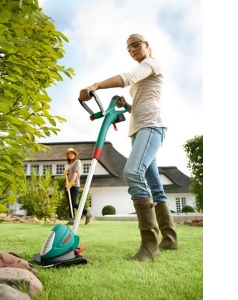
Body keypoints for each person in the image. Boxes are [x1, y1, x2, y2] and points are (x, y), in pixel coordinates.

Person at [78, 33, 178, 261]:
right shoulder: (145, 70)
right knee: (155, 184)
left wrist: (96, 85)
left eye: (136, 45)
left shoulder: (151, 63)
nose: (132, 49)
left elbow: (128, 77)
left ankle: (150, 247)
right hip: (139, 127)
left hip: (152, 126)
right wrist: (127, 106)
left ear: (147, 45)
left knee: (132, 172)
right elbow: (141, 103)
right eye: (128, 48)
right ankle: (170, 239)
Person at [64, 148, 92, 225]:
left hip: (74, 185)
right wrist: (65, 174)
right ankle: (71, 220)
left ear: (75, 154)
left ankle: (87, 214)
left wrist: (70, 183)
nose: (70, 155)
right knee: (70, 204)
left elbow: (75, 173)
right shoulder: (69, 165)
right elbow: (68, 176)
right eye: (68, 154)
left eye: (71, 153)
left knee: (73, 203)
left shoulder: (77, 161)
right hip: (68, 186)